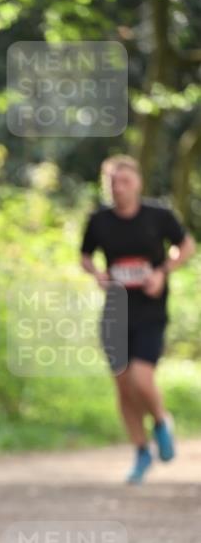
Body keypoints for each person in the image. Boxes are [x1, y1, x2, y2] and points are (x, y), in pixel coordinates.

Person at [80, 155, 195, 484]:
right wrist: (98, 274)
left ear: (138, 183)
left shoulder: (158, 215)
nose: (118, 187)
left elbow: (186, 246)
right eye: (113, 182)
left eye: (125, 181)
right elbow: (85, 256)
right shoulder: (99, 220)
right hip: (116, 312)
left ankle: (161, 421)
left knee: (141, 381)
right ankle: (141, 450)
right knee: (122, 385)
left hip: (150, 311)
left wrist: (163, 272)